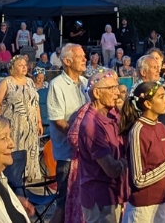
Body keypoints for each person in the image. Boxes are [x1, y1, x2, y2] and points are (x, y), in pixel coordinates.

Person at [68, 71, 127, 222]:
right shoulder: (91, 124)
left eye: (117, 88)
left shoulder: (113, 115)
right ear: (97, 93)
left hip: (113, 194)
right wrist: (128, 160)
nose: (117, 93)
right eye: (112, 88)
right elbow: (111, 169)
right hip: (100, 196)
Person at [123, 81, 165, 223]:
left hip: (162, 202)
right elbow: (138, 180)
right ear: (148, 104)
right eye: (161, 97)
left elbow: (164, 166)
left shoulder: (161, 127)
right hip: (143, 209)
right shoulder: (138, 130)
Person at [47, 44, 90, 223]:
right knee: (64, 204)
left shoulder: (86, 83)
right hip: (67, 155)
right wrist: (77, 138)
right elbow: (58, 120)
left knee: (83, 203)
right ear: (66, 61)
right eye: (80, 56)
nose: (85, 59)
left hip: (86, 154)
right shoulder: (56, 85)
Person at [0, 54, 44, 190]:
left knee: (30, 149)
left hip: (31, 125)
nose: (23, 68)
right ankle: (14, 180)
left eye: (25, 65)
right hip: (14, 126)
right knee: (16, 151)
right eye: (20, 65)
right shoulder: (6, 82)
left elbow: (35, 103)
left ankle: (28, 178)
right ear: (12, 68)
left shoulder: (30, 82)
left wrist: (39, 121)